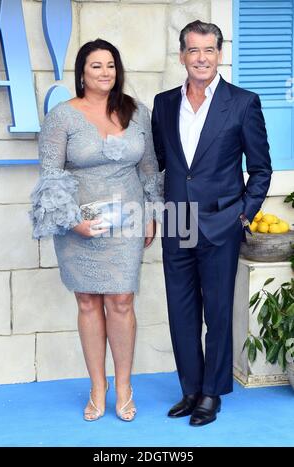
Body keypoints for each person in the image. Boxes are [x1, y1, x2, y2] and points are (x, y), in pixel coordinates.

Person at [30, 39, 163, 422]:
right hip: (78, 226)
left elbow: (150, 167)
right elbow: (51, 177)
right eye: (96, 66)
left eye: (110, 65)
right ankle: (97, 387)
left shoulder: (137, 113)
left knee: (121, 301)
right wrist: (75, 223)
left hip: (127, 222)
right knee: (88, 302)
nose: (105, 72)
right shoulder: (61, 117)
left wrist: (152, 214)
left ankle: (123, 386)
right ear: (82, 73)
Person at [152, 20, 272, 426]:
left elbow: (260, 169)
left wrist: (242, 215)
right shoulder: (164, 103)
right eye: (193, 50)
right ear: (182, 55)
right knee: (182, 309)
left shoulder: (242, 102)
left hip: (221, 222)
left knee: (218, 312)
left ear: (219, 54)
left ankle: (211, 392)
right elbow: (164, 165)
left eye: (209, 50)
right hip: (177, 220)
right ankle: (190, 388)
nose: (201, 58)